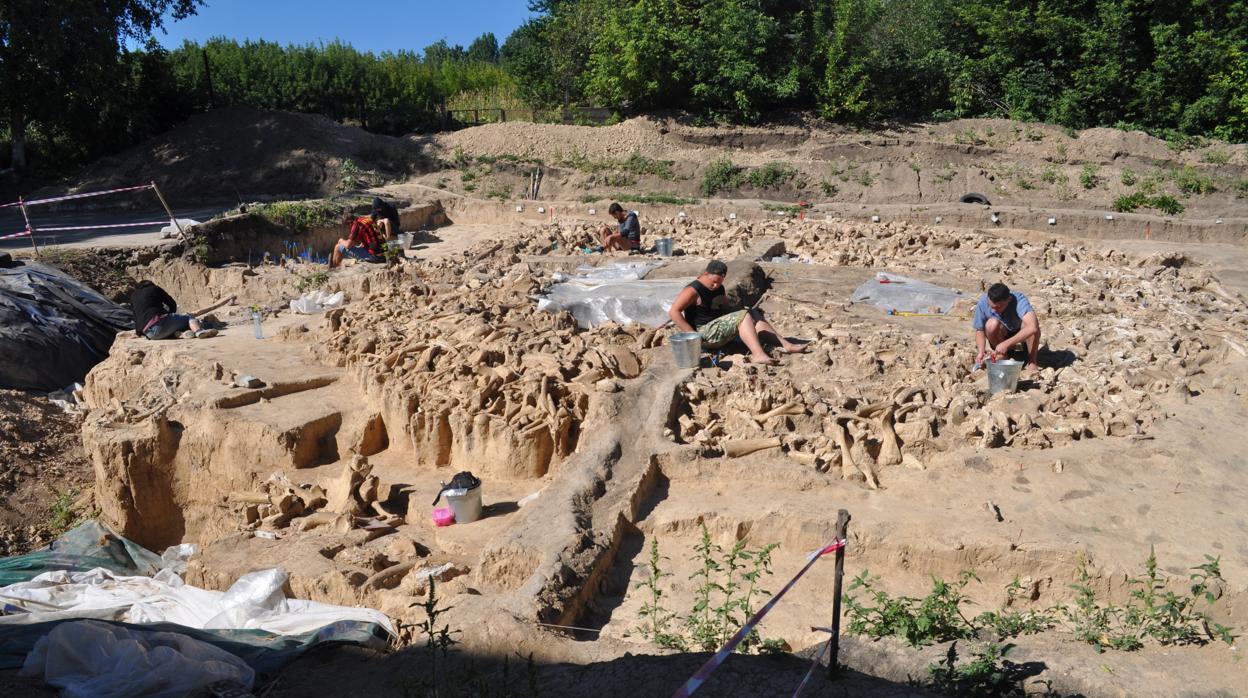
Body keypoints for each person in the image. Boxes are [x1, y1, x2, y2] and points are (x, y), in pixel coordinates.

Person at [668, 260, 806, 365]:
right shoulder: (693, 290)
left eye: (719, 282)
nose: (716, 285)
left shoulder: (719, 288)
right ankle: (758, 354)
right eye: (714, 281)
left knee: (751, 313)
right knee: (743, 316)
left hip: (716, 329)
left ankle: (786, 345)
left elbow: (725, 308)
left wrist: (743, 313)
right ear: (705, 274)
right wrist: (693, 335)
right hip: (703, 333)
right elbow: (674, 311)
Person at [973, 282, 1041, 371]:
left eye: (998, 307)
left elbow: (1032, 327)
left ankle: (1032, 361)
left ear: (1008, 299)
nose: (994, 310)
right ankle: (1003, 356)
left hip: (1019, 332)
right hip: (1002, 333)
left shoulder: (1019, 299)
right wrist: (981, 352)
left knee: (1031, 328)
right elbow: (980, 330)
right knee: (991, 324)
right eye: (991, 306)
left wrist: (1006, 344)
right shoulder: (983, 302)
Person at [130, 280, 215, 340]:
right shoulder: (155, 288)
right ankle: (199, 331)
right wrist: (170, 315)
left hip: (149, 334)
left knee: (170, 328)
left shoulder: (133, 295)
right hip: (160, 325)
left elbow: (135, 316)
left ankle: (180, 334)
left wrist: (138, 333)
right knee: (189, 317)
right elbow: (172, 303)